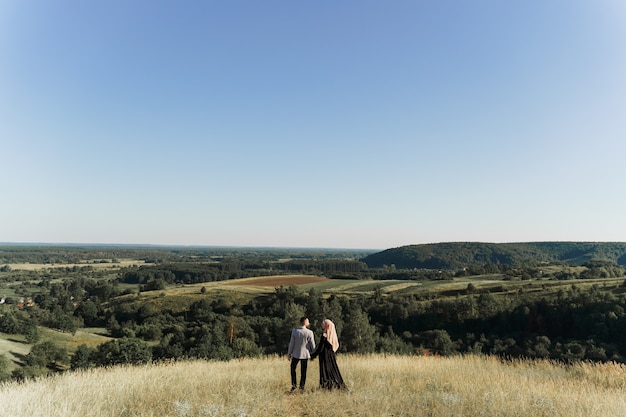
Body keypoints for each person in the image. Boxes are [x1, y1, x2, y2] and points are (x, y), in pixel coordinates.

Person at [310, 319, 346, 390]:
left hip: (324, 356)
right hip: (331, 356)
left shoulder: (324, 335)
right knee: (332, 370)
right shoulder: (332, 336)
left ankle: (326, 386)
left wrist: (313, 355)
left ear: (327, 325)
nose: (322, 324)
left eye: (323, 323)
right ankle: (336, 385)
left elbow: (320, 348)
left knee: (325, 370)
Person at [287, 316, 316, 392]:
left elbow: (291, 344)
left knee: (293, 368)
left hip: (296, 353)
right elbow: (312, 344)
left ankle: (294, 385)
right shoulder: (309, 332)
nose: (309, 323)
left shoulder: (295, 331)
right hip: (305, 354)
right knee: (303, 371)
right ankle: (301, 387)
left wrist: (289, 353)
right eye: (308, 321)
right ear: (305, 322)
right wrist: (314, 353)